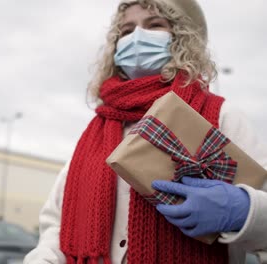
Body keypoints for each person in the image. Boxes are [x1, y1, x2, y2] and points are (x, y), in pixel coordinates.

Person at [24, 0, 267, 263]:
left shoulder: (221, 116)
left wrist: (246, 212)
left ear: (181, 38)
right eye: (127, 31)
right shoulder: (97, 129)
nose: (137, 37)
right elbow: (56, 226)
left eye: (154, 25)